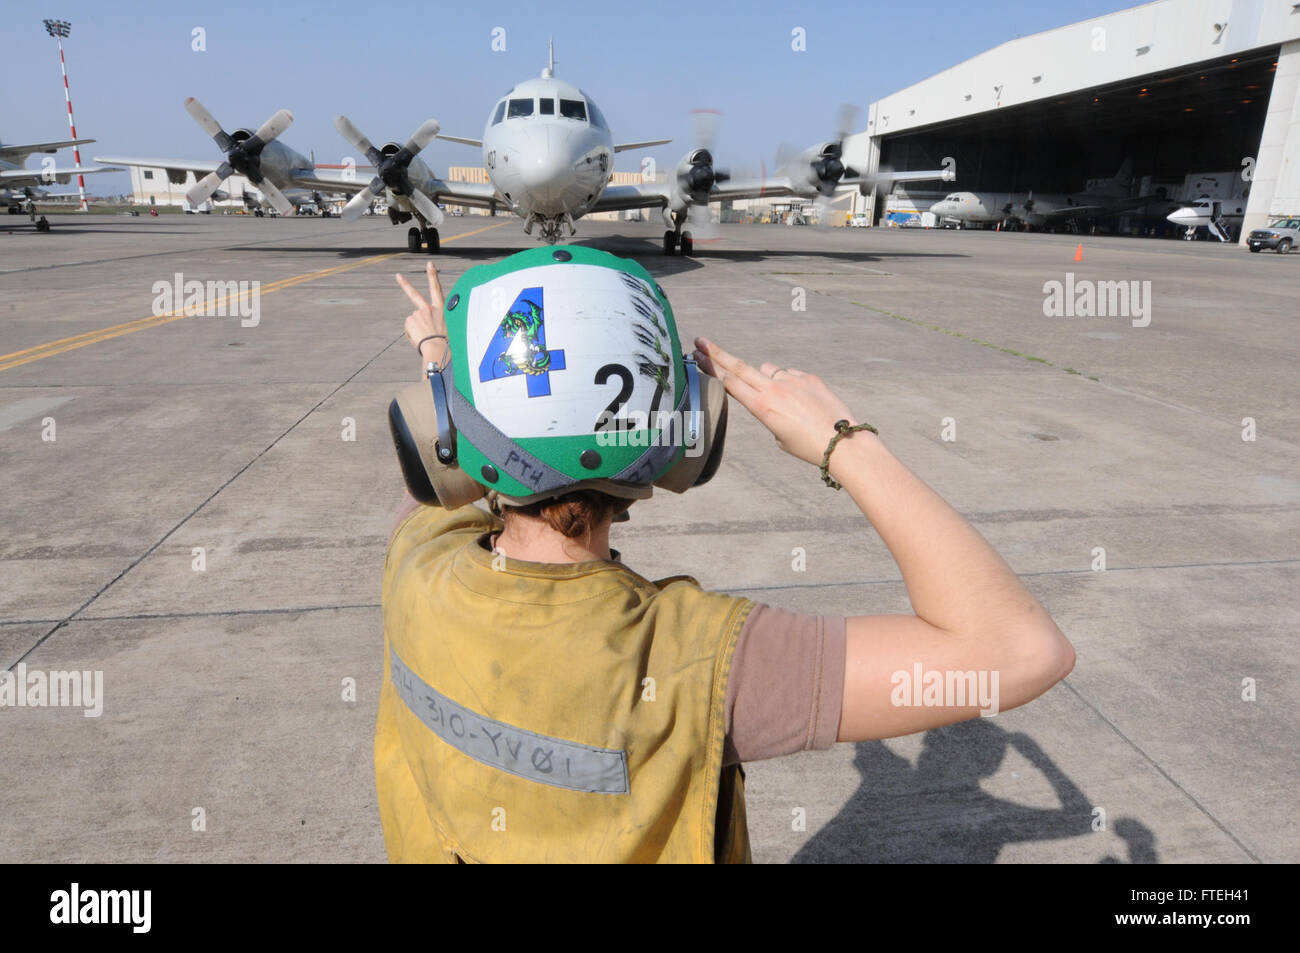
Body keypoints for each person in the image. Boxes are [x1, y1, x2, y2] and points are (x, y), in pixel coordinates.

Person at [377, 249, 1074, 864]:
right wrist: (844, 442)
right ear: (683, 433)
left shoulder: (418, 563)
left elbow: (451, 479)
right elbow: (1018, 649)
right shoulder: (694, 662)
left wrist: (445, 366)